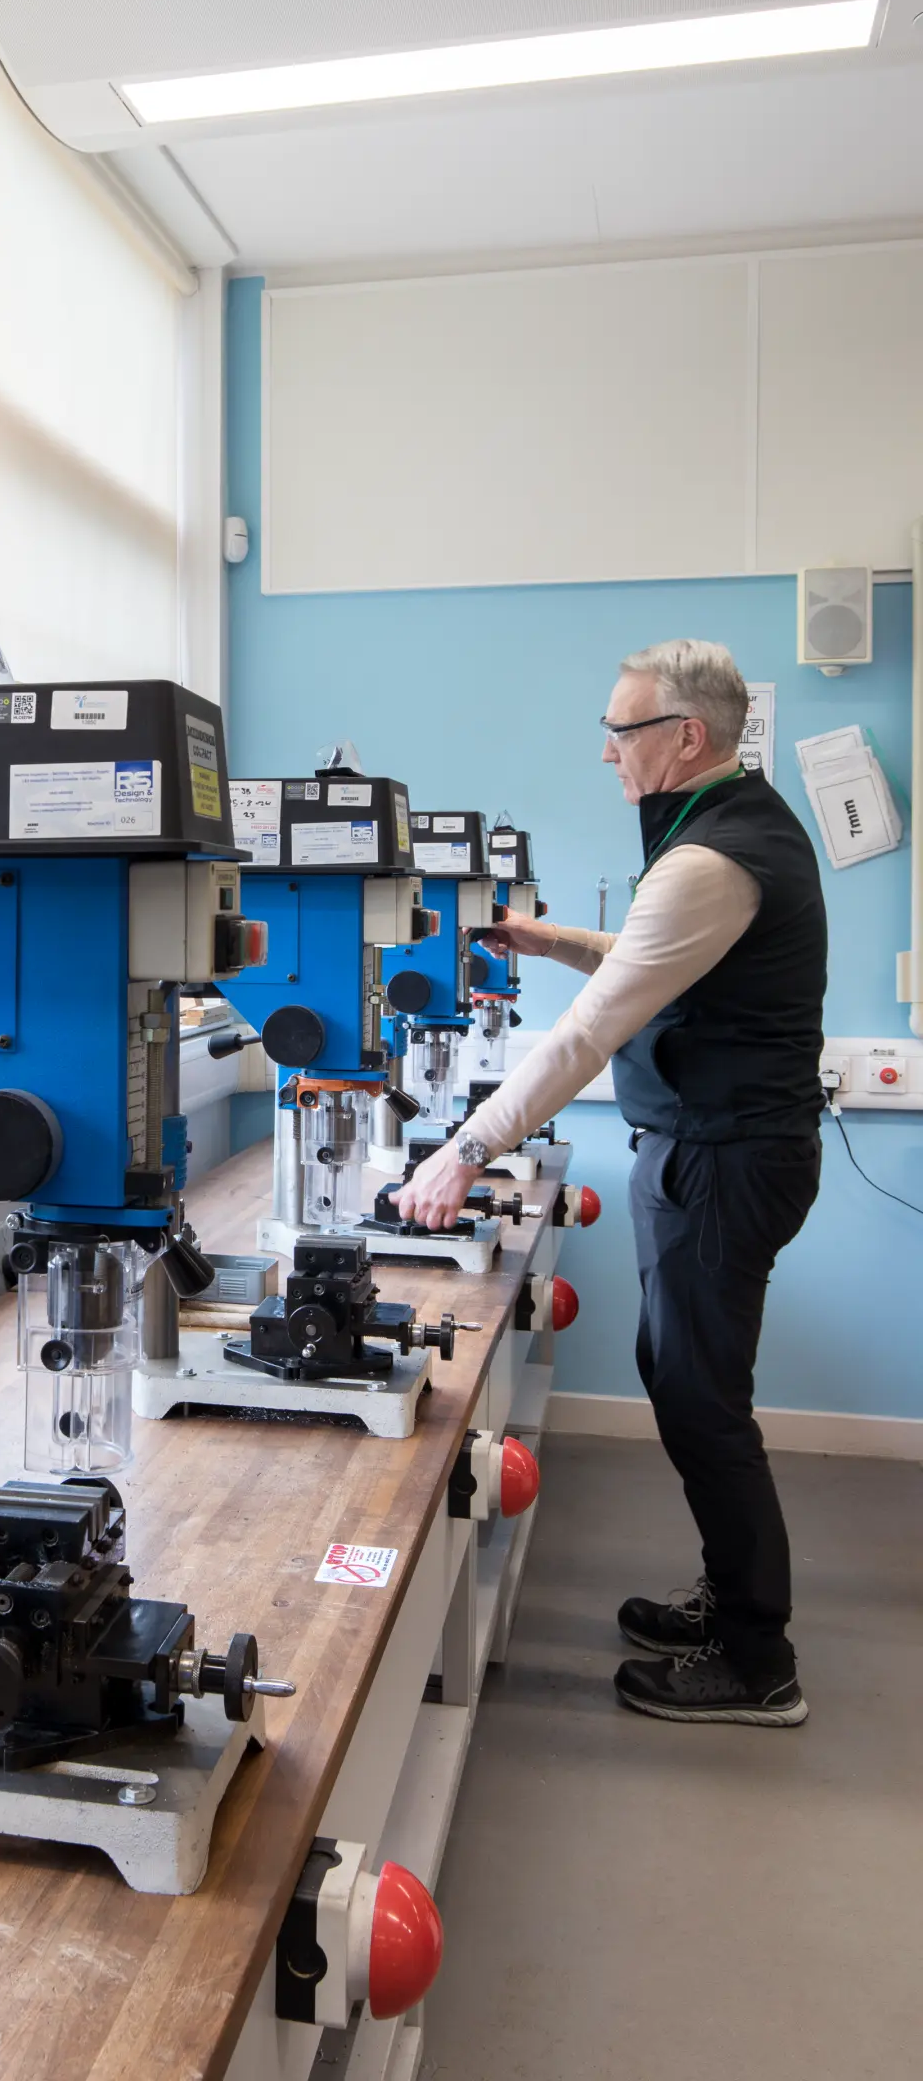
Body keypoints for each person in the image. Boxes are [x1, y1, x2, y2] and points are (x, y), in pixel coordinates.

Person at [399, 640, 826, 1727]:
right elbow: (653, 957)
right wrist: (548, 940)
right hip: (723, 1149)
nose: (606, 753)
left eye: (621, 731)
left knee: (701, 1400)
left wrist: (464, 1150)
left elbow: (590, 1034)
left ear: (686, 737)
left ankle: (758, 1660)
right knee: (683, 1380)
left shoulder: (709, 859)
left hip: (722, 1158)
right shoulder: (736, 826)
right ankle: (732, 1603)